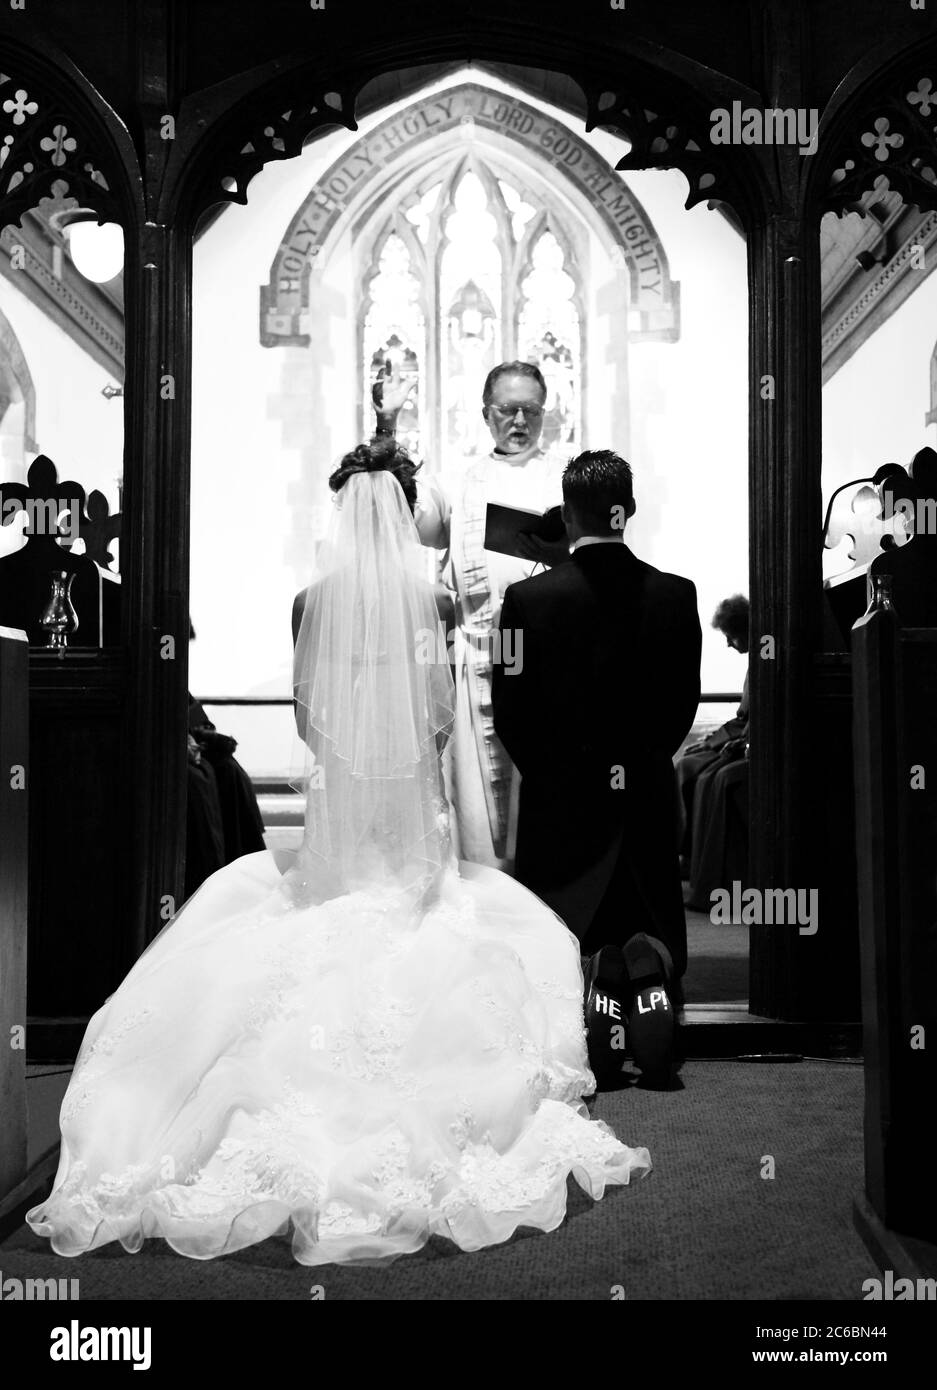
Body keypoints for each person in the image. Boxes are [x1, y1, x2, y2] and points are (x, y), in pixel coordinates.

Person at [26, 440, 650, 1268]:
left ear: (341, 510)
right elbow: (434, 719)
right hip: (407, 822)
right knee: (493, 939)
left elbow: (305, 723)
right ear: (403, 509)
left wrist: (350, 759)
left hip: (337, 821)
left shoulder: (305, 601)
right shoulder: (431, 601)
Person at [492, 450, 701, 1007]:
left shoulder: (525, 599)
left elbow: (508, 707)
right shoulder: (678, 595)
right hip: (644, 797)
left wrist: (553, 776)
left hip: (560, 807)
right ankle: (644, 981)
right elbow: (683, 703)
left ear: (565, 515)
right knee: (648, 925)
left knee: (559, 950)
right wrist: (643, 762)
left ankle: (591, 991)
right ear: (627, 510)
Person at [374, 359, 569, 870]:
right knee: (476, 797)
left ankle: (546, 906)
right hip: (479, 655)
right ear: (487, 414)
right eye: (508, 409)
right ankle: (485, 892)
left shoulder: (567, 478)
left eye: (531, 409)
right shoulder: (457, 481)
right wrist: (389, 427)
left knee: (545, 790)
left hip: (550, 662)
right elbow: (403, 514)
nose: (520, 421)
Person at [675, 594, 750, 871]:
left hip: (744, 737)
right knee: (686, 763)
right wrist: (709, 742)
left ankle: (695, 859)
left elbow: (748, 718)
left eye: (731, 636)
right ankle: (687, 853)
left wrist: (720, 744)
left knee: (702, 775)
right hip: (738, 732)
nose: (729, 643)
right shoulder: (757, 659)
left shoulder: (761, 659)